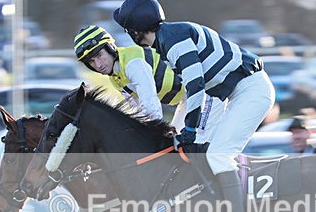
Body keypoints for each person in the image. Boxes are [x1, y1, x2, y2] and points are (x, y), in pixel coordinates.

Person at [113, 0, 275, 212]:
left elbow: (195, 84)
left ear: (135, 31)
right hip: (236, 92)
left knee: (219, 156)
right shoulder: (168, 39)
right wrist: (189, 132)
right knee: (200, 152)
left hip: (251, 91)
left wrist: (190, 127)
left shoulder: (173, 39)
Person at [73, 24, 223, 142]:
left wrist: (153, 136)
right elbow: (136, 112)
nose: (98, 65)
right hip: (186, 100)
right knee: (176, 147)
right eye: (91, 61)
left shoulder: (133, 64)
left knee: (197, 144)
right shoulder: (115, 77)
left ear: (110, 47)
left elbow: (150, 104)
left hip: (206, 93)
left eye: (99, 55)